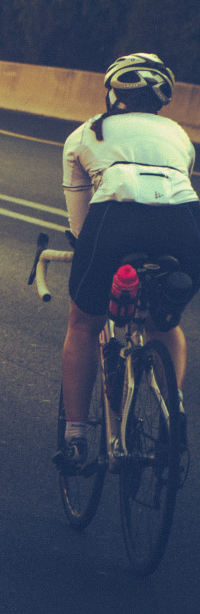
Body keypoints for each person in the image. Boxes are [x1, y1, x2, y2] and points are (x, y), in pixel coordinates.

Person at [55, 52, 200, 469]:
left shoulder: (86, 133)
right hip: (186, 224)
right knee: (163, 324)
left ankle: (77, 439)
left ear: (112, 92)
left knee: (84, 323)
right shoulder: (179, 135)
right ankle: (173, 414)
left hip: (116, 220)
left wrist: (91, 257)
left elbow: (81, 224)